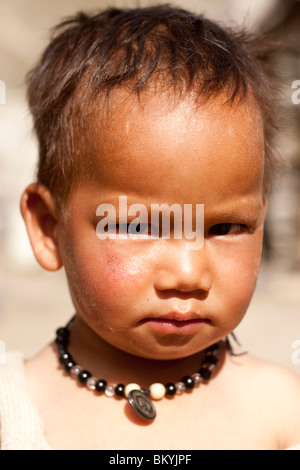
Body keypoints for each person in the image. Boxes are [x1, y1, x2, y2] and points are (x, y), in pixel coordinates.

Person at [1, 5, 300, 450]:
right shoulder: (13, 413)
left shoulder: (283, 411)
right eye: (137, 226)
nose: (186, 274)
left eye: (225, 227)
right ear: (50, 228)